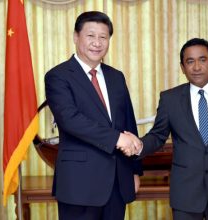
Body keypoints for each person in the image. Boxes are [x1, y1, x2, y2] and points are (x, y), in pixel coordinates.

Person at [121, 38, 208, 220]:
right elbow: (158, 136)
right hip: (185, 194)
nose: (196, 67)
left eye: (202, 60)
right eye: (190, 61)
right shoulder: (170, 99)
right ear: (182, 67)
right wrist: (137, 145)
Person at [45, 11, 142, 220]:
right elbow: (70, 120)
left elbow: (128, 123)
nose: (97, 43)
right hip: (79, 184)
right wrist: (117, 138)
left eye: (103, 37)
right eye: (90, 36)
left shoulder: (116, 77)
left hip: (118, 180)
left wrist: (135, 170)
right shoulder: (58, 76)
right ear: (76, 37)